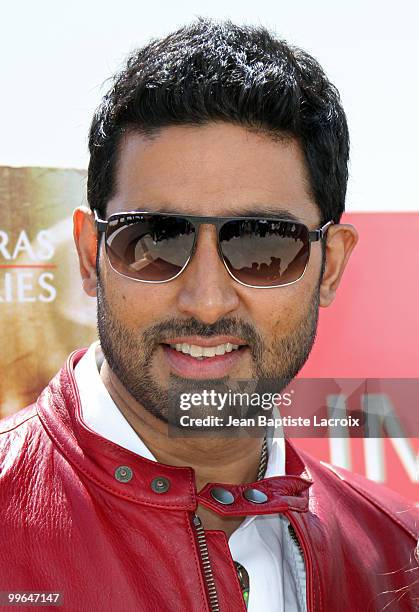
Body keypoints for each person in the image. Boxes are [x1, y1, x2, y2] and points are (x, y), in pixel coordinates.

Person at [0, 18, 417, 612]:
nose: (206, 301)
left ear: (329, 267)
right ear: (91, 257)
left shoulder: (398, 555)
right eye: (152, 240)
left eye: (262, 247)